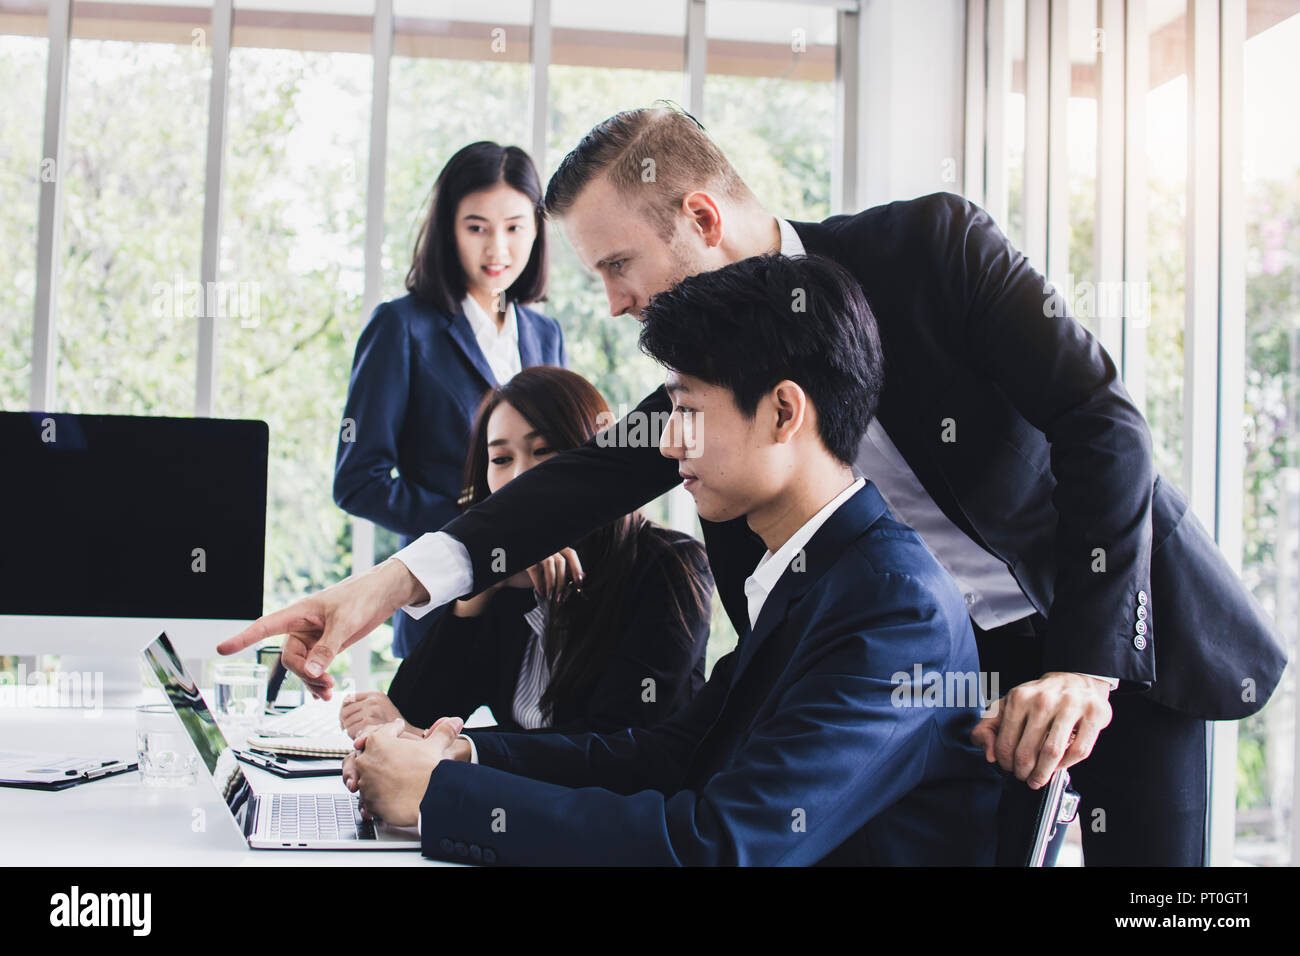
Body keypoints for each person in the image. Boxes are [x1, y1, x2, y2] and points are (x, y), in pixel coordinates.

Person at [221, 105, 1286, 866]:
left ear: (701, 217)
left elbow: (1102, 425)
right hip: (933, 658)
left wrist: (1085, 669)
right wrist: (382, 591)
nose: (616, 304)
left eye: (620, 267)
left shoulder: (930, 250)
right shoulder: (717, 402)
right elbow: (579, 484)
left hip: (1108, 635)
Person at [348, 254, 1000, 865]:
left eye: (686, 408)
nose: (665, 441)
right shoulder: (817, 572)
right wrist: (460, 757)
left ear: (782, 412)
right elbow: (673, 753)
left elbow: (723, 846)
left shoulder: (892, 606)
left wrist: (443, 796)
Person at [336, 365, 713, 745]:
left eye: (543, 451)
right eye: (500, 460)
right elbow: (413, 714)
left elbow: (613, 744)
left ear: (592, 458)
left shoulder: (670, 566)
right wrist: (478, 595)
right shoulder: (508, 579)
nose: (521, 477)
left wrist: (444, 745)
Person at [332, 141, 565, 659]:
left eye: (515, 227)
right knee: (419, 739)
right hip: (441, 608)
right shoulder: (402, 327)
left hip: (539, 609)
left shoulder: (545, 335)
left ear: (537, 229)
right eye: (476, 227)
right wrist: (475, 535)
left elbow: (561, 467)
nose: (497, 250)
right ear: (448, 229)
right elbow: (358, 482)